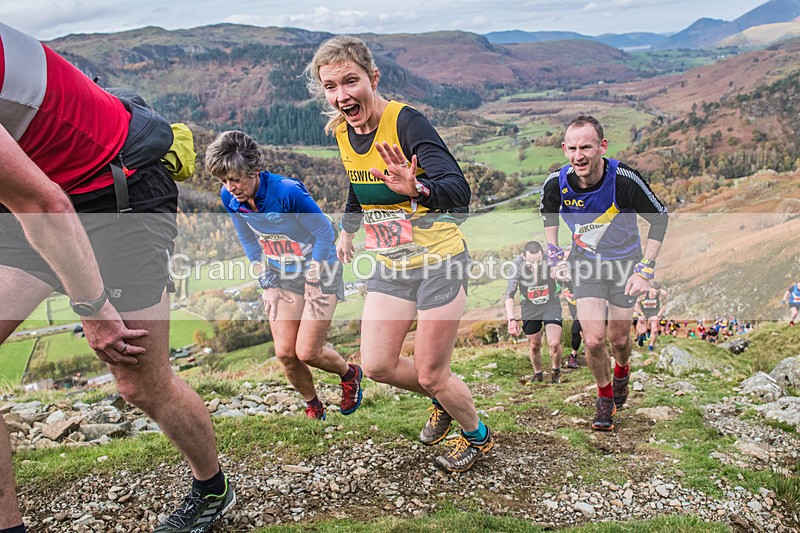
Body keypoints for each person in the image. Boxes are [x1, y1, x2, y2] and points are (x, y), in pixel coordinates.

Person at [0, 23, 232, 533]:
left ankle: (212, 488)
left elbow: (46, 205)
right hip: (37, 198)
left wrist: (93, 309)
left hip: (115, 192)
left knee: (140, 384)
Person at [304, 35, 493, 473]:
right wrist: (348, 230)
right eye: (331, 86)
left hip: (440, 262)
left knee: (431, 373)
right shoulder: (343, 130)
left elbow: (459, 194)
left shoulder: (408, 124)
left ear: (373, 77)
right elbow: (359, 184)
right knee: (377, 364)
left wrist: (418, 188)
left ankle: (477, 436)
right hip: (391, 262)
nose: (341, 95)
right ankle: (442, 400)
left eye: (350, 82)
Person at [205, 130, 363, 421]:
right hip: (282, 272)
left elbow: (325, 232)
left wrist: (315, 278)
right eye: (224, 180)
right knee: (285, 353)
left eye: (236, 178)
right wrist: (265, 281)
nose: (231, 187)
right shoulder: (229, 197)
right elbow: (250, 242)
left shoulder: (287, 191)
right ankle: (313, 405)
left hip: (322, 266)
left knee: (307, 351)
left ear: (255, 170)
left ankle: (350, 374)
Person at [540, 115, 668, 432]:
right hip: (586, 264)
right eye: (571, 148)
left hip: (625, 265)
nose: (578, 155)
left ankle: (623, 369)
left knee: (619, 339)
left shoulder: (624, 180)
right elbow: (549, 217)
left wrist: (646, 270)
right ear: (564, 149)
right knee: (595, 340)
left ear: (602, 146)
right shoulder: (556, 183)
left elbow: (660, 219)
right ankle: (605, 397)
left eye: (586, 146)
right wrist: (555, 254)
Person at [504, 241, 564, 383]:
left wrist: (559, 273)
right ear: (523, 257)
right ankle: (538, 374)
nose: (535, 265)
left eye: (538, 261)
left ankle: (556, 371)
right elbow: (509, 294)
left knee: (554, 342)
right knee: (534, 344)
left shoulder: (549, 259)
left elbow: (563, 265)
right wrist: (511, 320)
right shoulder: (516, 265)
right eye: (531, 262)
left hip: (550, 303)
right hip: (530, 306)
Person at [634, 281, 668, 352]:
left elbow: (664, 304)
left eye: (656, 293)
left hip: (654, 312)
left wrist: (659, 314)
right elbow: (636, 304)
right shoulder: (643, 293)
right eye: (653, 293)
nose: (654, 295)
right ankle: (641, 336)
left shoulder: (663, 294)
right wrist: (641, 313)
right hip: (643, 311)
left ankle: (651, 346)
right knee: (643, 329)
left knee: (654, 329)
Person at [561, 279, 582, 369]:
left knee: (575, 329)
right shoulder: (562, 273)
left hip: (586, 302)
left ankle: (573, 356)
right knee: (580, 328)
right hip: (572, 303)